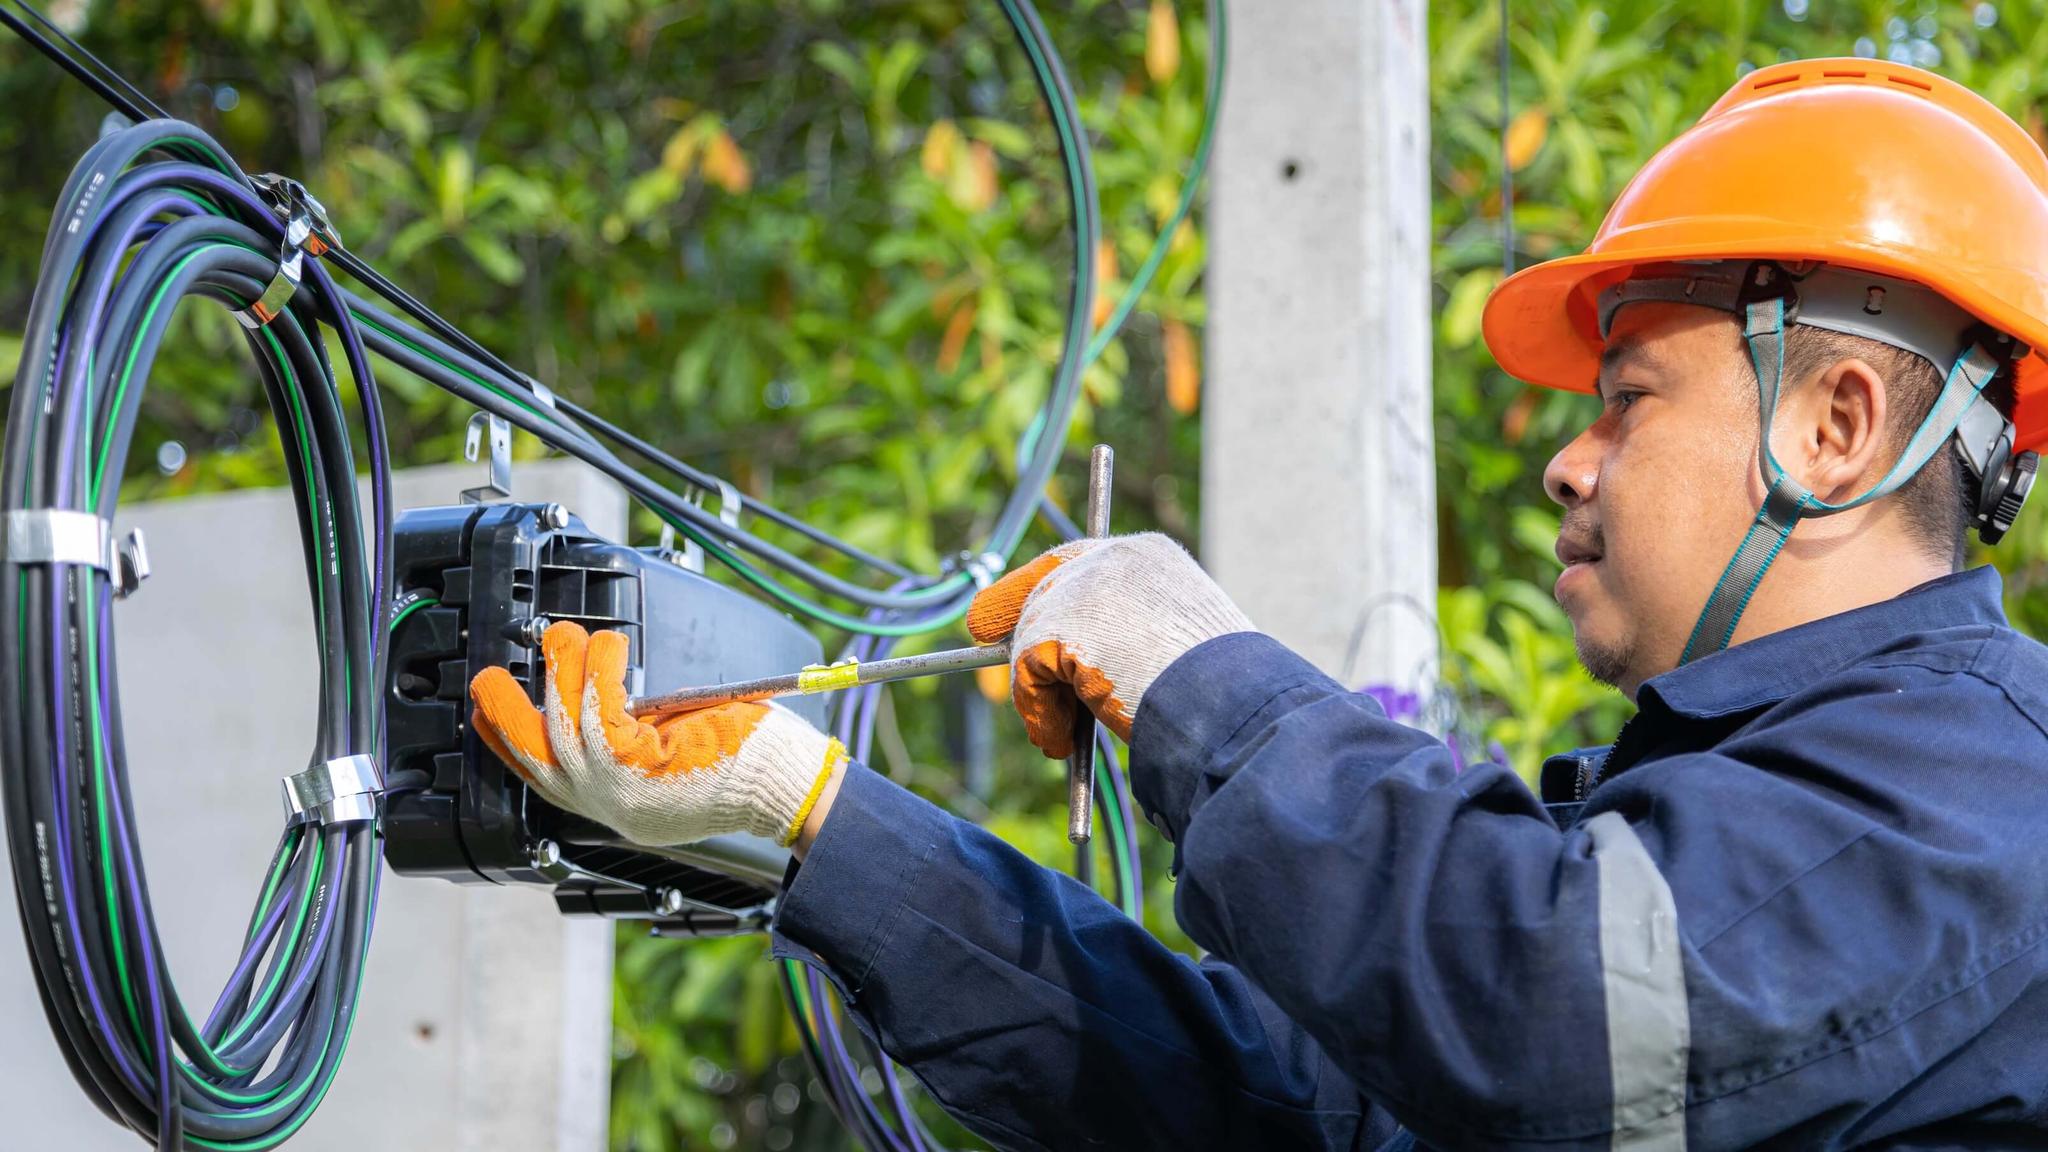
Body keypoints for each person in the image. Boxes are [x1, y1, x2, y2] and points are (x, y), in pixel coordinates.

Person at [468, 59, 2048, 1150]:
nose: (1571, 463)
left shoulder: (1989, 787)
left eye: (1628, 394)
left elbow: (1547, 1015)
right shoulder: (1735, 810)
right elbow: (1283, 1108)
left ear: (1836, 426)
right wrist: (815, 821)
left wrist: (1197, 672)